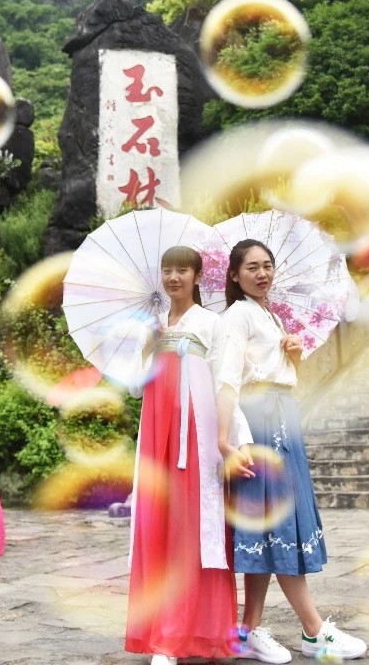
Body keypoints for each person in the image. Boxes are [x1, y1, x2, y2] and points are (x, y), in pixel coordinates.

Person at [217, 238, 368, 662]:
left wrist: (294, 357)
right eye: (251, 267)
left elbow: (279, 375)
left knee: (271, 528)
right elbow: (227, 381)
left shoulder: (269, 314)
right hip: (259, 426)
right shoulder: (237, 316)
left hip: (283, 418)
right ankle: (314, 630)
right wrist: (227, 442)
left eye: (267, 265)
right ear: (234, 275)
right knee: (279, 524)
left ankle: (248, 630)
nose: (262, 273)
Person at [124, 245, 254, 665]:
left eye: (182, 270)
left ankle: (191, 633)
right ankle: (162, 635)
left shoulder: (212, 324)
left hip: (196, 440)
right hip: (157, 439)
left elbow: (226, 386)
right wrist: (148, 349)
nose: (173, 277)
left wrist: (239, 440)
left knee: (192, 531)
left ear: (198, 277)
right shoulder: (152, 327)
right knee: (160, 529)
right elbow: (134, 386)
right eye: (167, 270)